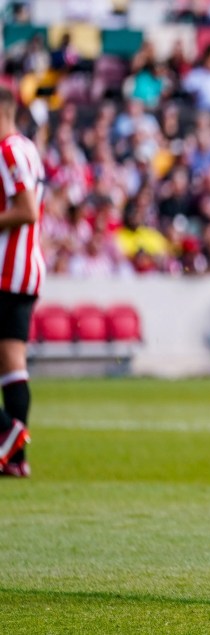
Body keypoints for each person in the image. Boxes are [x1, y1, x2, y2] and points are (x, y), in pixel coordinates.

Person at [0, 85, 45, 477]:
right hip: (26, 269)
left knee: (12, 362)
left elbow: (27, 210)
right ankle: (16, 460)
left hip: (6, 271)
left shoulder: (8, 151)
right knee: (13, 364)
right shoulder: (28, 148)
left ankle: (9, 431)